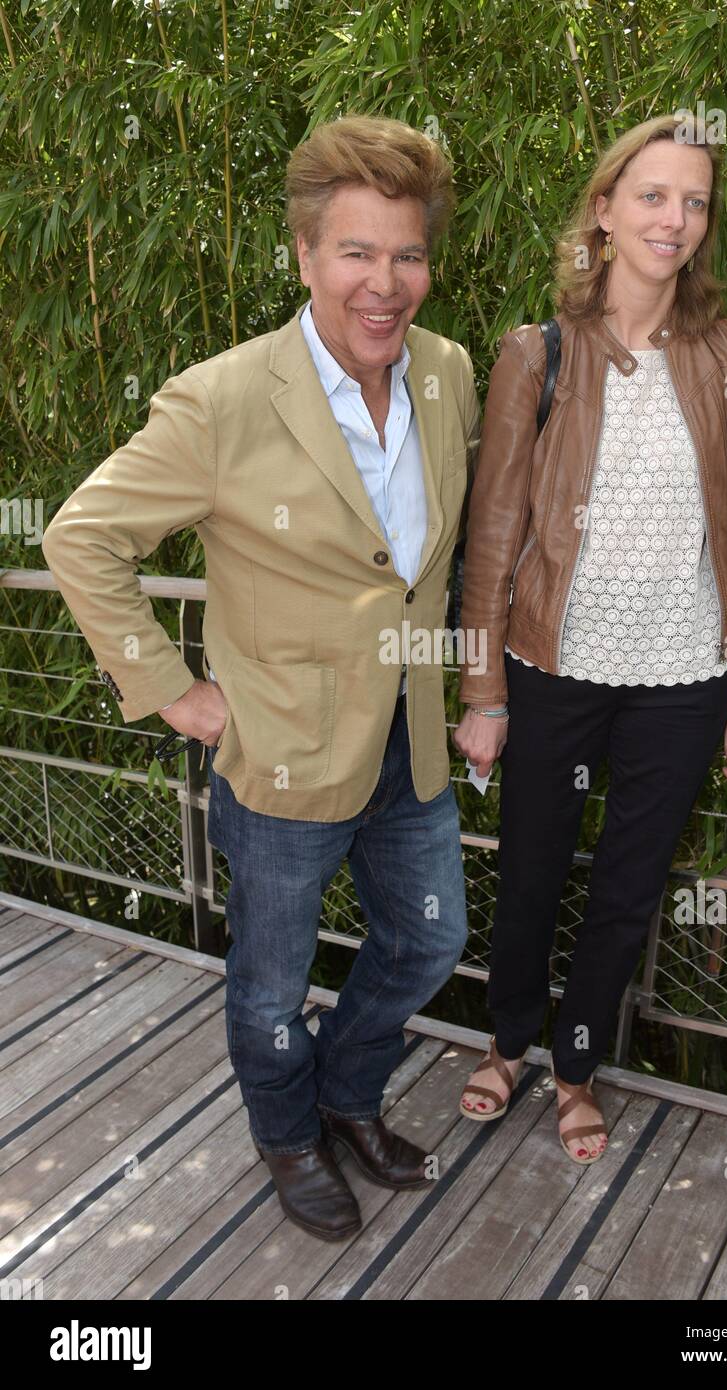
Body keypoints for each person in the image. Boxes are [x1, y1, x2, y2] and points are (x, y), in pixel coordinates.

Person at [40, 114, 481, 1240]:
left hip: (410, 739)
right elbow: (80, 537)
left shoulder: (446, 374)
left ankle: (341, 1093)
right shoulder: (222, 399)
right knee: (268, 985)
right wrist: (174, 691)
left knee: (427, 942)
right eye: (355, 252)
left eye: (406, 255)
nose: (384, 284)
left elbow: (431, 562)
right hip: (280, 752)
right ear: (302, 257)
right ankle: (288, 1137)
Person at [453, 112, 727, 1165]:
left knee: (629, 884)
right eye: (650, 195)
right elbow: (493, 533)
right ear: (602, 208)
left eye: (691, 201)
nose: (671, 218)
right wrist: (481, 690)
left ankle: (576, 1064)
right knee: (536, 864)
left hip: (688, 672)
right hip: (554, 665)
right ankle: (505, 1042)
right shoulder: (533, 353)